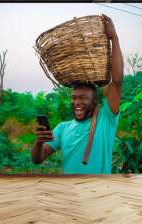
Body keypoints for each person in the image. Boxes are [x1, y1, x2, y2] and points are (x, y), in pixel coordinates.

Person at [31, 15, 124, 174]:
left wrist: (114, 38)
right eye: (74, 98)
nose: (77, 102)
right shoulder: (62, 128)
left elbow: (117, 81)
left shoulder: (106, 119)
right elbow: (37, 159)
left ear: (94, 101)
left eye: (83, 98)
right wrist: (39, 143)